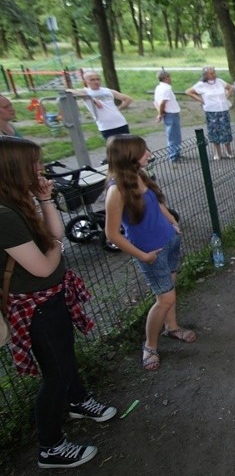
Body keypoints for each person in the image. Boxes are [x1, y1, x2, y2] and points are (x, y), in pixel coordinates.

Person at [1, 137, 117, 469]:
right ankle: (50, 446)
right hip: (34, 307)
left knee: (64, 357)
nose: (41, 168)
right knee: (55, 373)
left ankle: (78, 400)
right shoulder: (4, 214)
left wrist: (46, 199)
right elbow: (43, 265)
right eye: (34, 163)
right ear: (13, 167)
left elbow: (56, 237)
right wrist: (54, 245)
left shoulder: (17, 201)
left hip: (51, 298)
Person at [104, 134, 196, 372]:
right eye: (144, 151)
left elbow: (157, 204)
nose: (150, 154)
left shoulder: (139, 175)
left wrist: (173, 222)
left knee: (170, 293)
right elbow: (112, 234)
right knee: (164, 299)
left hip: (169, 243)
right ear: (130, 156)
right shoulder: (116, 191)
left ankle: (172, 328)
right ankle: (150, 346)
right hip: (150, 253)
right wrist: (143, 256)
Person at [186, 66, 235, 161]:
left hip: (223, 109)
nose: (214, 74)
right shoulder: (201, 85)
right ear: (206, 75)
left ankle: (228, 150)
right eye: (211, 73)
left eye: (214, 72)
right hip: (211, 111)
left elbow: (230, 88)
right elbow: (188, 92)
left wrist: (226, 97)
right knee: (214, 131)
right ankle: (217, 152)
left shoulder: (220, 81)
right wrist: (201, 100)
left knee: (226, 130)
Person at [73, 70, 132, 140]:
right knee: (113, 149)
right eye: (92, 80)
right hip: (106, 126)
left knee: (127, 147)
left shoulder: (108, 91)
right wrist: (91, 98)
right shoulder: (86, 92)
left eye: (98, 79)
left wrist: (118, 109)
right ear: (85, 81)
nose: (96, 82)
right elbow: (69, 91)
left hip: (121, 123)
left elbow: (128, 99)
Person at [153, 70, 182, 163]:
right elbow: (162, 103)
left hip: (168, 113)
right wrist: (160, 114)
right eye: (169, 77)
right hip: (171, 113)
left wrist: (160, 113)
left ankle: (176, 153)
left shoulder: (158, 88)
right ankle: (174, 156)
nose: (170, 79)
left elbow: (156, 102)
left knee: (174, 135)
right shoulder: (166, 89)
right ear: (166, 78)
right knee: (174, 136)